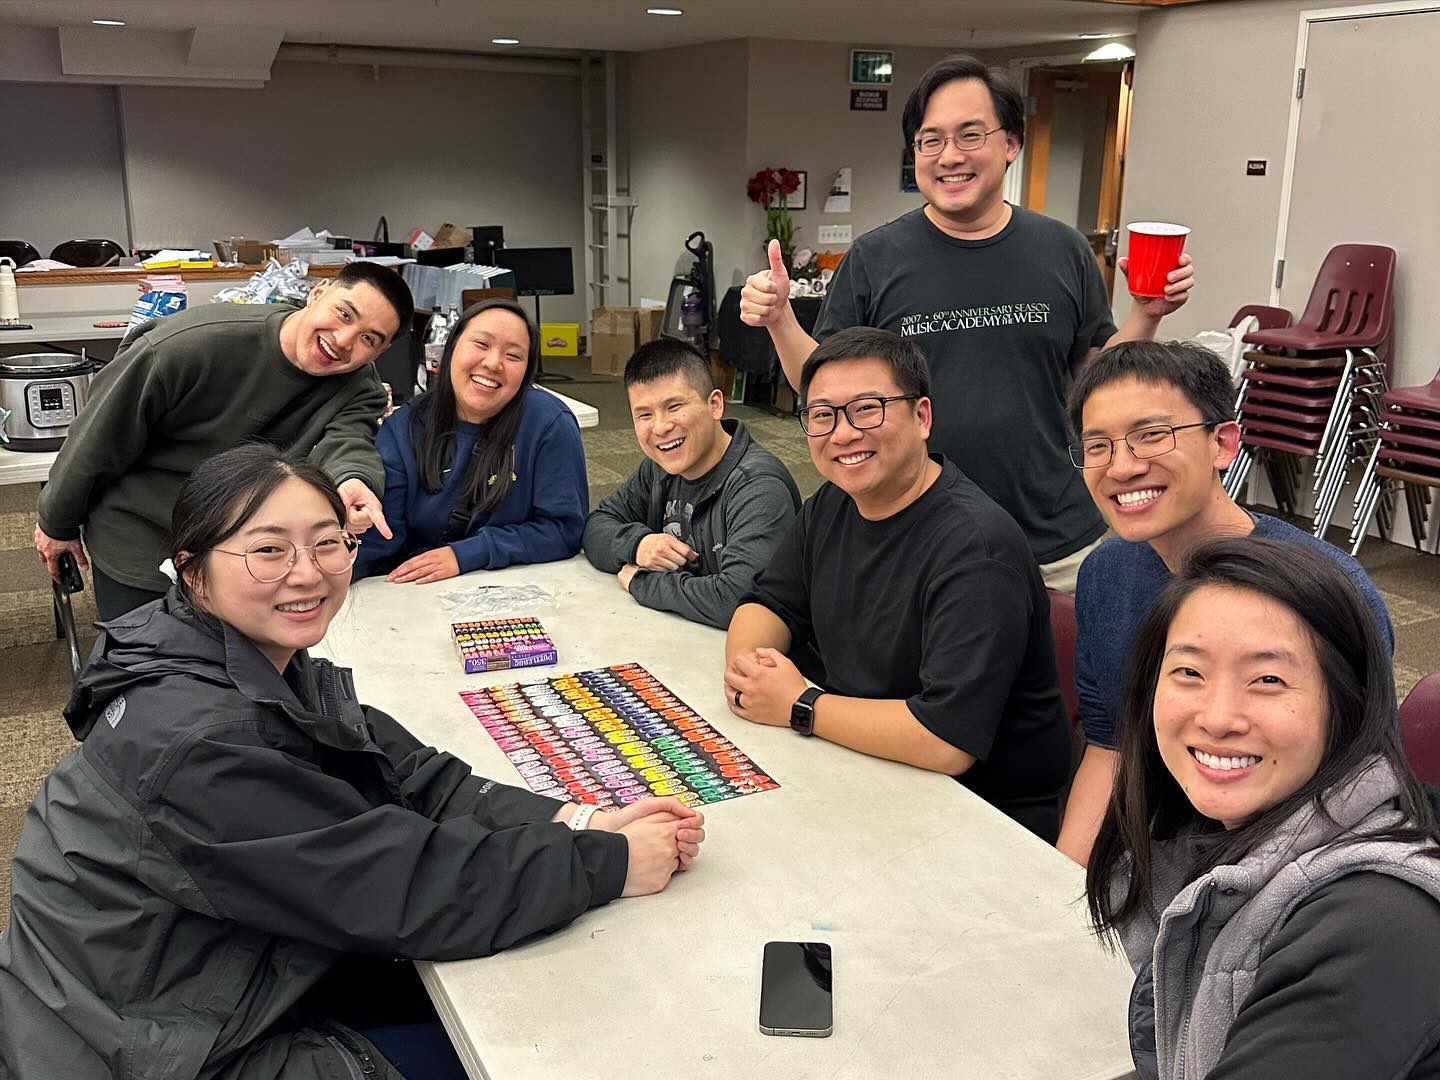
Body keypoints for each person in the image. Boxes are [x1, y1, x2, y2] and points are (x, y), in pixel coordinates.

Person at [0, 444, 705, 1080]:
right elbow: (410, 887)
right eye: (268, 551)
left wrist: (581, 816)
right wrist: (607, 863)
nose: (306, 574)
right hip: (157, 1042)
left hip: (191, 964)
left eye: (327, 544)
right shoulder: (202, 738)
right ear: (194, 572)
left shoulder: (226, 655)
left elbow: (412, 773)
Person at [738, 54, 1196, 591]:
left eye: (969, 135)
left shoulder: (1063, 249)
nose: (948, 156)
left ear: (1011, 144)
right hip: (919, 539)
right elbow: (822, 388)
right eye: (930, 141)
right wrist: (779, 320)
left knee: (1074, 671)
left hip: (1057, 539)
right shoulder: (875, 257)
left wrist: (1146, 312)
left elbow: (1101, 381)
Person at [1085, 537, 1440, 1079]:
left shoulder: (1371, 925)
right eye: (1189, 673)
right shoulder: (1200, 843)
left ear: (1347, 702)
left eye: (1268, 679)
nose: (1218, 716)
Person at [723, 327, 1071, 839]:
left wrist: (799, 705)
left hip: (977, 821)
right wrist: (751, 671)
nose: (843, 434)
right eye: (822, 416)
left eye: (867, 408)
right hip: (862, 766)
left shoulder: (977, 549)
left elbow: (945, 741)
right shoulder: (832, 504)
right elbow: (770, 602)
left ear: (922, 416)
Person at [1056, 341, 1394, 866]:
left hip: (1290, 867)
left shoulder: (1323, 588)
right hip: (1155, 861)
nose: (1121, 467)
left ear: (1223, 444)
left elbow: (1358, 783)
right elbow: (1111, 749)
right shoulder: (1106, 574)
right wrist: (1064, 885)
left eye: (1151, 436)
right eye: (1097, 446)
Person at [33, 260, 410, 620]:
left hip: (244, 549)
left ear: (382, 350)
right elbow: (97, 438)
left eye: (368, 339)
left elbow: (348, 440)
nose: (344, 341)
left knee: (241, 671)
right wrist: (57, 522)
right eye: (344, 314)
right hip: (144, 535)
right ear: (318, 292)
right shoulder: (189, 346)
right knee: (148, 668)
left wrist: (352, 481)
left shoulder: (360, 386)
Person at [353, 298, 587, 584]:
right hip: (418, 589)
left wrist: (469, 553)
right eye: (481, 344)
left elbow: (564, 529)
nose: (492, 363)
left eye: (513, 356)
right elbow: (381, 536)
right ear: (451, 349)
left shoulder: (549, 424)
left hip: (519, 583)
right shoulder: (406, 427)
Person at [582, 337, 801, 629]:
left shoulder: (759, 487)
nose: (660, 427)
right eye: (644, 414)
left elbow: (738, 602)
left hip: (747, 658)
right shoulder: (659, 468)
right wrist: (638, 545)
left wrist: (642, 582)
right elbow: (595, 526)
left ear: (715, 405)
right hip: (680, 635)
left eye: (674, 407)